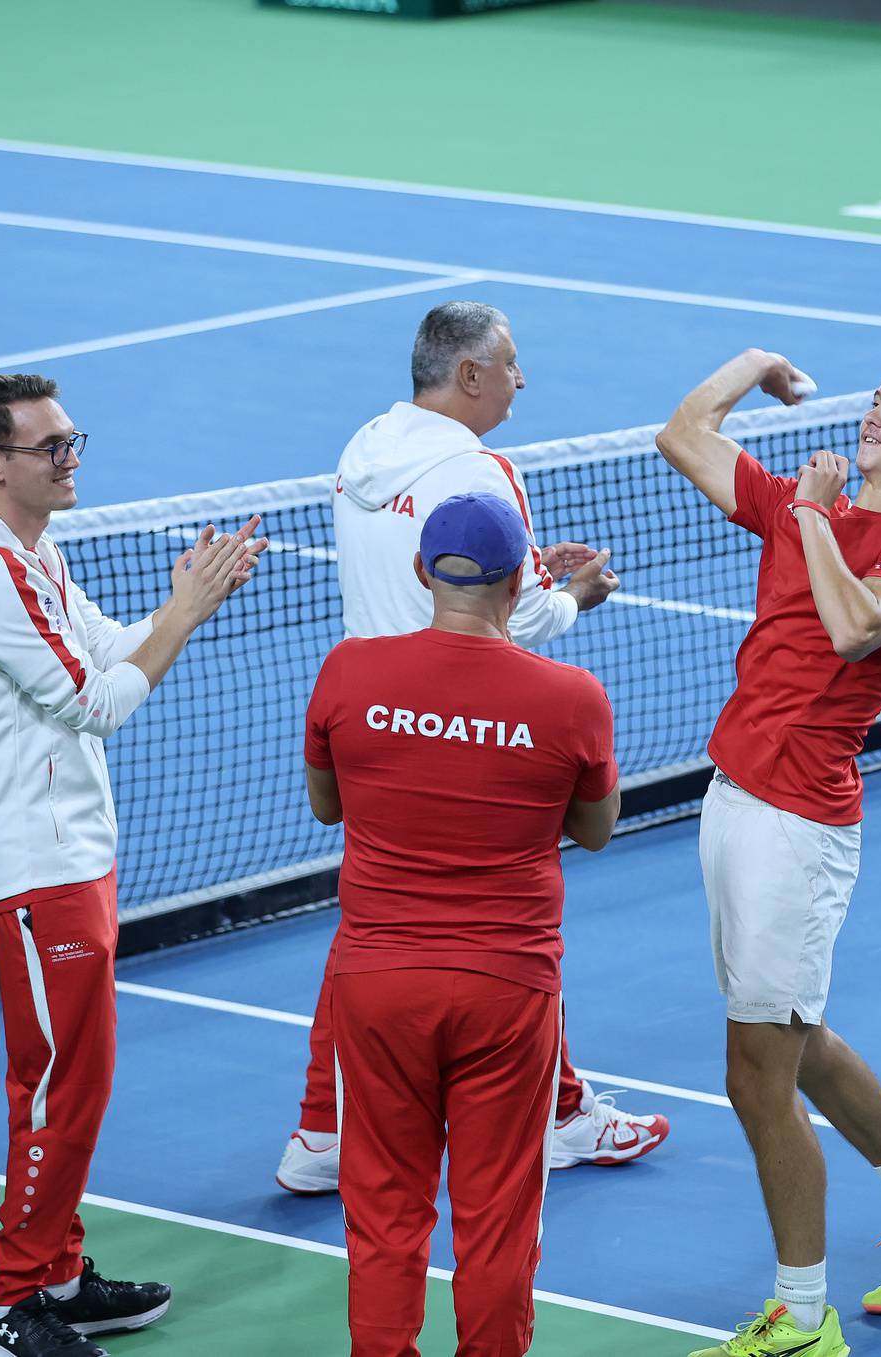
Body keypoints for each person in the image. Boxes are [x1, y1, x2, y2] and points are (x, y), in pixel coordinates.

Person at [0, 373, 266, 1357]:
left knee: (75, 1078)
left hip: (74, 852)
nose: (71, 459)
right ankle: (12, 1305)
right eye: (50, 447)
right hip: (33, 866)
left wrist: (181, 599)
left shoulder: (31, 550)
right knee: (60, 1085)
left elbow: (108, 645)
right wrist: (184, 614)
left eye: (73, 441)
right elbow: (98, 700)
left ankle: (59, 1275)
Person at [276, 301, 668, 1195]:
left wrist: (515, 559)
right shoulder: (482, 469)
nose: (521, 380)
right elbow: (520, 619)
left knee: (371, 927)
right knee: (505, 929)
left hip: (373, 727)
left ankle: (324, 1129)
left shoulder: (364, 445)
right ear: (469, 376)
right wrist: (573, 595)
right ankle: (563, 1116)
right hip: (469, 732)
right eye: (512, 364)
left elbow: (449, 569)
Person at [656, 350, 881, 1357]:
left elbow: (851, 627)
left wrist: (808, 513)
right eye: (875, 402)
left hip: (797, 822)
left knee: (757, 1073)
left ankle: (803, 1321)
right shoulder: (810, 502)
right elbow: (680, 436)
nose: (873, 418)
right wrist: (752, 366)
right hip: (734, 794)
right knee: (792, 1040)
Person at [305, 492, 620, 1356]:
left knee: (383, 1207)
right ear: (521, 579)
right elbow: (595, 829)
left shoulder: (348, 672)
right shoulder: (572, 697)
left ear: (420, 572)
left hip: (374, 988)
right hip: (505, 993)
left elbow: (329, 806)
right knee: (497, 1216)